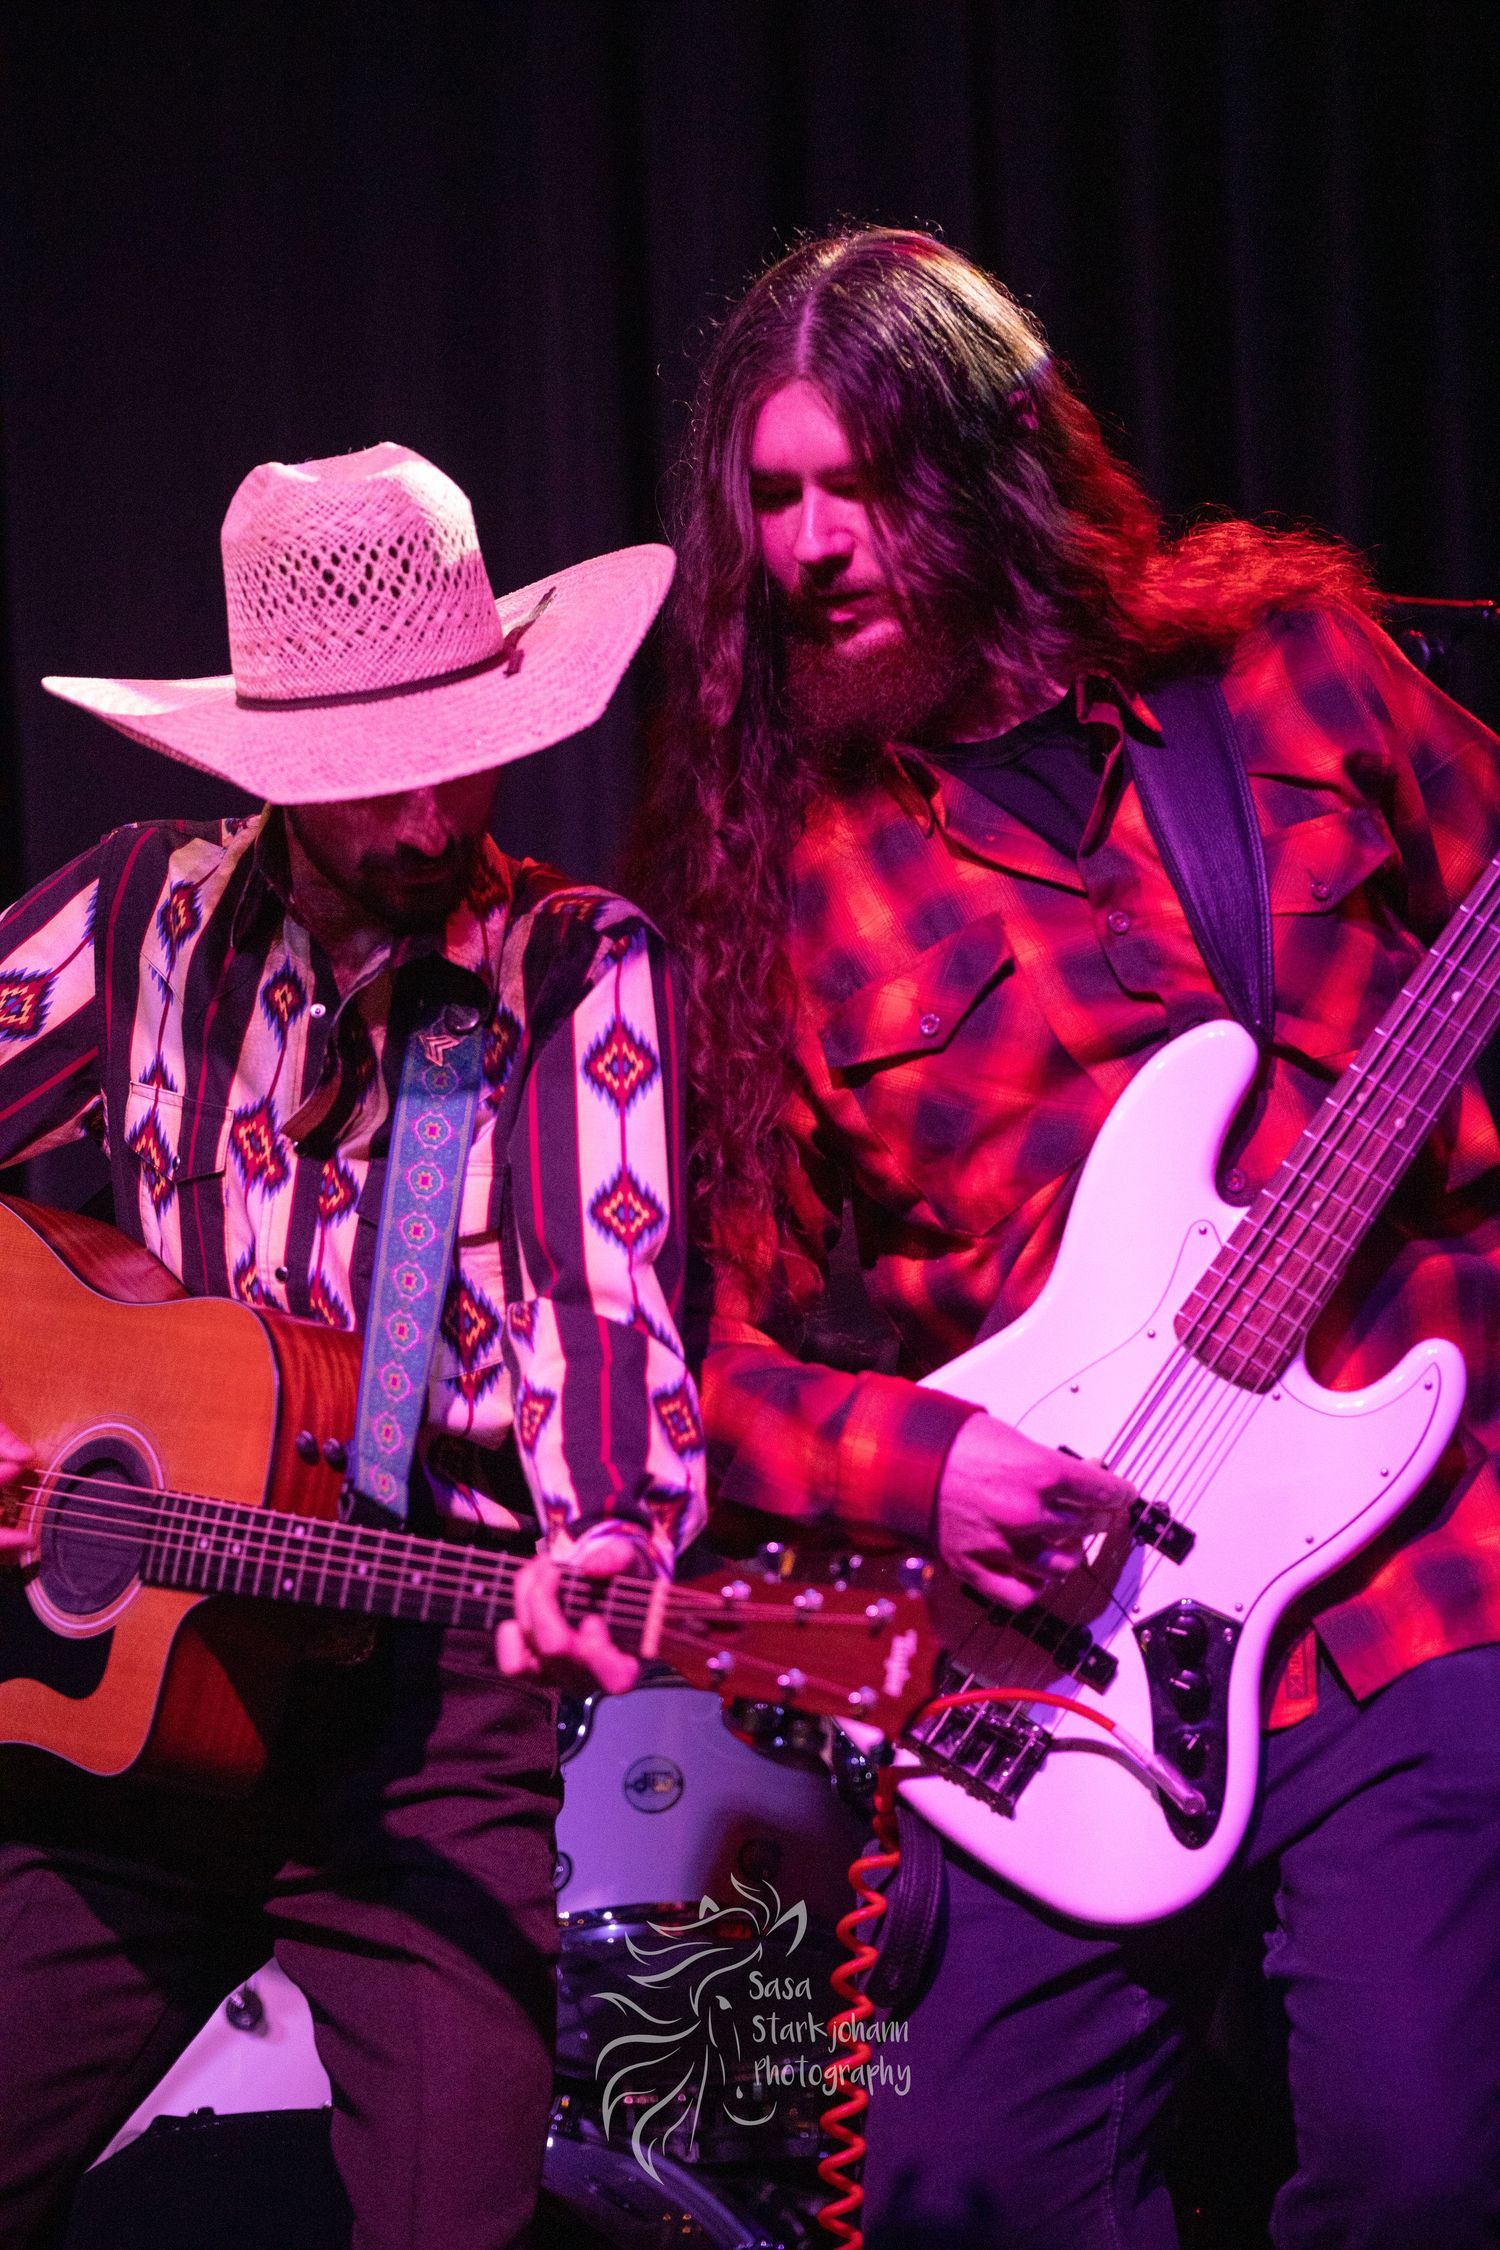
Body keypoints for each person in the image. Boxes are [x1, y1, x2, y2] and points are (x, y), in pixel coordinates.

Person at [640, 228, 1500, 2248]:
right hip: (1055, 1662)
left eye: (867, 485)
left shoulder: (1287, 675)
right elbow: (706, 1364)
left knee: (1421, 2158)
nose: (811, 549)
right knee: (965, 2186)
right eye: (771, 498)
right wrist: (929, 1468)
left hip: (1421, 1568)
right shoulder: (779, 887)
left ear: (999, 464)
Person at [0, 441, 706, 2249]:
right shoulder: (136, 908)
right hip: (129, 1708)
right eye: (369, 780)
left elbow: (596, 1296)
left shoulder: (569, 967)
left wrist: (608, 1539)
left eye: (454, 755)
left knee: (451, 2219)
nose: (423, 819)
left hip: (423, 1715)